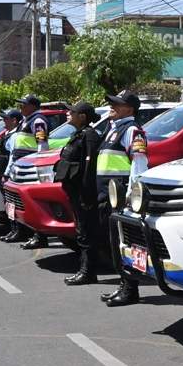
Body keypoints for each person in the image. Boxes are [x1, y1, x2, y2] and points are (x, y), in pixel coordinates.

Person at [98, 90, 149, 307]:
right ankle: (123, 285)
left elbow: (139, 164)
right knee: (114, 243)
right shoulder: (114, 129)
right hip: (109, 196)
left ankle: (130, 289)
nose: (112, 107)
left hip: (121, 198)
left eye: (117, 104)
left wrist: (131, 195)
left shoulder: (132, 130)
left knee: (124, 243)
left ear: (129, 109)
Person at [57, 102, 103, 286]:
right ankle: (84, 270)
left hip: (84, 194)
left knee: (86, 233)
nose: (68, 114)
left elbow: (89, 169)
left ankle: (88, 272)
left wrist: (87, 195)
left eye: (72, 112)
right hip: (75, 192)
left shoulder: (89, 136)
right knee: (81, 231)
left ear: (82, 116)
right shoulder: (78, 134)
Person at [9, 95, 51, 249]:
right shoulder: (24, 121)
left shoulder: (38, 121)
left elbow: (42, 144)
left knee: (32, 203)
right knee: (16, 201)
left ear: (33, 106)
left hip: (30, 167)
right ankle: (19, 230)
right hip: (20, 166)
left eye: (24, 105)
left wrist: (38, 163)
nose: (21, 108)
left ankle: (39, 236)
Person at [0, 109, 26, 241]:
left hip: (10, 174)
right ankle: (13, 228)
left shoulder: (16, 135)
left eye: (6, 119)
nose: (4, 121)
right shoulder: (8, 133)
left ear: (14, 121)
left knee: (12, 203)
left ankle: (18, 230)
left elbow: (12, 157)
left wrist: (7, 174)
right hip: (4, 172)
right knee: (8, 203)